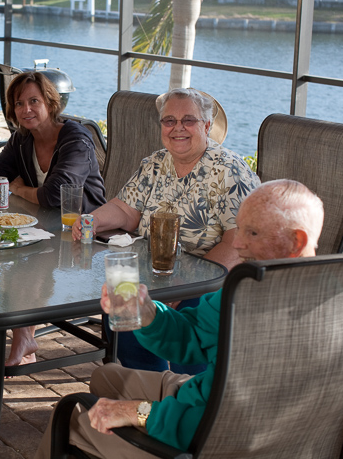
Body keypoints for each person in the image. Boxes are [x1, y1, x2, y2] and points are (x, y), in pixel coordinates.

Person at [35, 179, 325, 459]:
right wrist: (148, 312)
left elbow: (206, 422)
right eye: (239, 228)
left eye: (252, 233)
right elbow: (193, 333)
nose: (236, 243)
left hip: (209, 439)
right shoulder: (282, 287)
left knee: (70, 416)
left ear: (296, 240)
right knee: (106, 376)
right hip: (206, 397)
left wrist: (135, 412)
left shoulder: (268, 317)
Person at [73, 87, 260, 374]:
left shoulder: (227, 171)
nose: (177, 128)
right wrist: (93, 220)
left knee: (167, 318)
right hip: (157, 273)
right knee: (122, 309)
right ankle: (149, 387)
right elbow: (126, 210)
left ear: (207, 126)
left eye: (189, 120)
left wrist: (187, 283)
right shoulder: (156, 163)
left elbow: (239, 242)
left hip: (212, 281)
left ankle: (187, 394)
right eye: (169, 121)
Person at [0, 71, 106, 366]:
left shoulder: (77, 139)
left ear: (51, 104)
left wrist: (19, 189)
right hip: (46, 229)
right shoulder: (21, 139)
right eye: (18, 103)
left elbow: (55, 194)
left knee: (18, 260)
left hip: (85, 233)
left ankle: (24, 335)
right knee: (6, 251)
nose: (25, 109)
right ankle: (24, 335)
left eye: (33, 101)